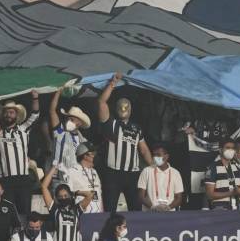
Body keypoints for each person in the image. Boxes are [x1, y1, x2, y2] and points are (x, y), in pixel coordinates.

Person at [98, 74, 153, 212]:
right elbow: (101, 103)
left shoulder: (137, 128)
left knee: (135, 209)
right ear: (116, 108)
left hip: (132, 174)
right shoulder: (111, 124)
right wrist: (112, 84)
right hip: (113, 173)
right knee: (110, 209)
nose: (124, 109)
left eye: (127, 107)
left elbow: (144, 150)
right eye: (121, 107)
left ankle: (136, 233)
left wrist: (154, 167)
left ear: (131, 109)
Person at [0, 95, 41, 215]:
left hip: (23, 179)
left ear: (16, 115)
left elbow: (35, 114)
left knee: (25, 212)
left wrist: (35, 98)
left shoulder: (23, 129)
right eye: (6, 112)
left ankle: (24, 233)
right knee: (7, 213)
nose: (8, 115)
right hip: (5, 180)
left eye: (11, 112)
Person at [48, 89, 91, 186]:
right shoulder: (59, 131)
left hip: (74, 176)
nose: (68, 121)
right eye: (68, 119)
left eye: (72, 119)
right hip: (58, 176)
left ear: (79, 123)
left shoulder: (82, 140)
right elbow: (52, 111)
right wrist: (58, 91)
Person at [204, 139, 240, 211]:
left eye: (233, 148)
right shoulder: (212, 168)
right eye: (228, 148)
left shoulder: (238, 169)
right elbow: (209, 195)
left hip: (237, 209)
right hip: (220, 210)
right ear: (220, 150)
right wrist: (231, 193)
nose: (231, 150)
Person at [138, 144, 186, 211]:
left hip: (169, 214)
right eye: (154, 155)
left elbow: (179, 198)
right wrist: (153, 207)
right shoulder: (146, 171)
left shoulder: (175, 173)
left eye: (158, 155)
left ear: (166, 156)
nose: (155, 157)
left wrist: (168, 208)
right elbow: (141, 196)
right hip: (149, 213)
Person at [66, 142, 104, 213]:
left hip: (98, 214)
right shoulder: (72, 171)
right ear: (85, 156)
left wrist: (102, 212)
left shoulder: (94, 172)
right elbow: (67, 194)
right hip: (82, 213)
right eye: (93, 153)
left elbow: (99, 193)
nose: (95, 156)